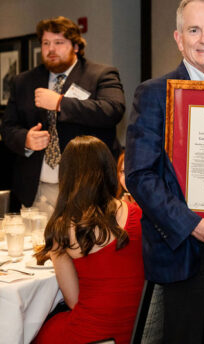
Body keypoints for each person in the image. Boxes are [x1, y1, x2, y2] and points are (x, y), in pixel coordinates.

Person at [125, 0, 204, 343]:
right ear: (179, 39)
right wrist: (193, 224)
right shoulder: (153, 94)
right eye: (194, 30)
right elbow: (140, 176)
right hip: (183, 253)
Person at [0, 16, 125, 214]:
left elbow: (112, 110)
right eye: (46, 43)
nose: (51, 49)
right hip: (37, 187)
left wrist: (60, 103)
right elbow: (8, 128)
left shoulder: (101, 74)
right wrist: (26, 139)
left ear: (76, 46)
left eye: (59, 43)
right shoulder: (23, 81)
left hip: (85, 186)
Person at [33, 135, 144, 344]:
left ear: (66, 175)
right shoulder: (137, 213)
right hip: (136, 331)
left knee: (35, 332)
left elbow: (74, 301)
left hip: (94, 336)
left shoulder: (63, 229)